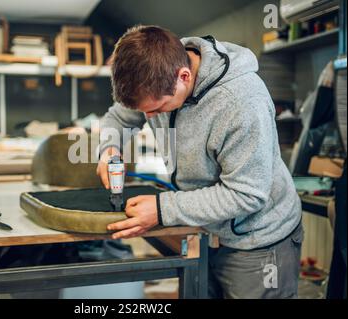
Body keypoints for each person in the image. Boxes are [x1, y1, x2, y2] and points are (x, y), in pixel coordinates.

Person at [96, 25, 303, 299]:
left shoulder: (241, 103)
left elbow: (247, 194)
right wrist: (108, 149)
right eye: (145, 112)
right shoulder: (156, 70)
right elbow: (120, 118)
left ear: (184, 76)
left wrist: (162, 209)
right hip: (203, 231)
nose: (150, 117)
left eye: (157, 109)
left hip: (257, 243)